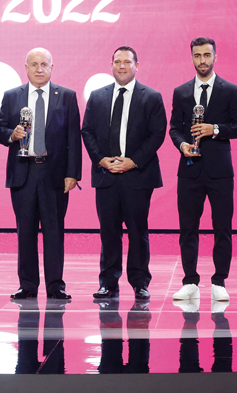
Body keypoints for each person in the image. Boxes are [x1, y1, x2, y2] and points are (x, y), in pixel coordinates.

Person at [81, 46, 166, 299]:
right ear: (111, 65)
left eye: (127, 62)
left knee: (138, 231)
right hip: (106, 175)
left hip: (137, 176)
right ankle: (108, 282)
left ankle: (140, 282)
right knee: (109, 231)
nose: (121, 66)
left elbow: (157, 134)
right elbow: (87, 131)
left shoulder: (151, 97)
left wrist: (133, 161)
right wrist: (101, 160)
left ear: (136, 66)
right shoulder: (97, 96)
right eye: (117, 61)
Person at [0, 48, 81, 300]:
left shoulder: (66, 96)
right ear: (26, 67)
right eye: (34, 64)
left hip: (54, 174)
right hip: (23, 173)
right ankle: (27, 285)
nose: (39, 69)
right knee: (25, 232)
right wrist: (11, 134)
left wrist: (73, 173)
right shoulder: (12, 96)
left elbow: (73, 138)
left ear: (52, 67)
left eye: (44, 64)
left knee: (54, 232)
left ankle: (55, 285)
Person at [169, 37, 237, 303]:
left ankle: (219, 281)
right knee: (187, 228)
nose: (202, 60)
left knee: (222, 227)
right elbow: (174, 128)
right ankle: (190, 281)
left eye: (206, 55)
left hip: (220, 172)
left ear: (215, 57)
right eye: (197, 55)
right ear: (191, 57)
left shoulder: (231, 90)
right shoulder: (181, 91)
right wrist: (182, 144)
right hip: (189, 170)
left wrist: (213, 129)